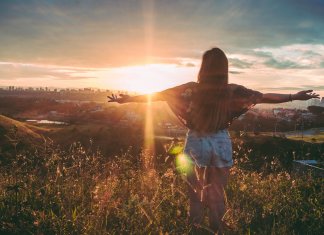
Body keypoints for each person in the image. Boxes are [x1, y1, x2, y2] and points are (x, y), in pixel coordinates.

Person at [108, 48, 319, 233]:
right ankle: (217, 228)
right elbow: (264, 96)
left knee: (195, 192)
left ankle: (196, 229)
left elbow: (157, 95)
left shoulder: (190, 89)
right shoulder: (231, 90)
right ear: (224, 68)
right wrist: (294, 96)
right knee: (217, 191)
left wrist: (126, 99)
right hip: (220, 141)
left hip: (196, 141)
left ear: (203, 67)